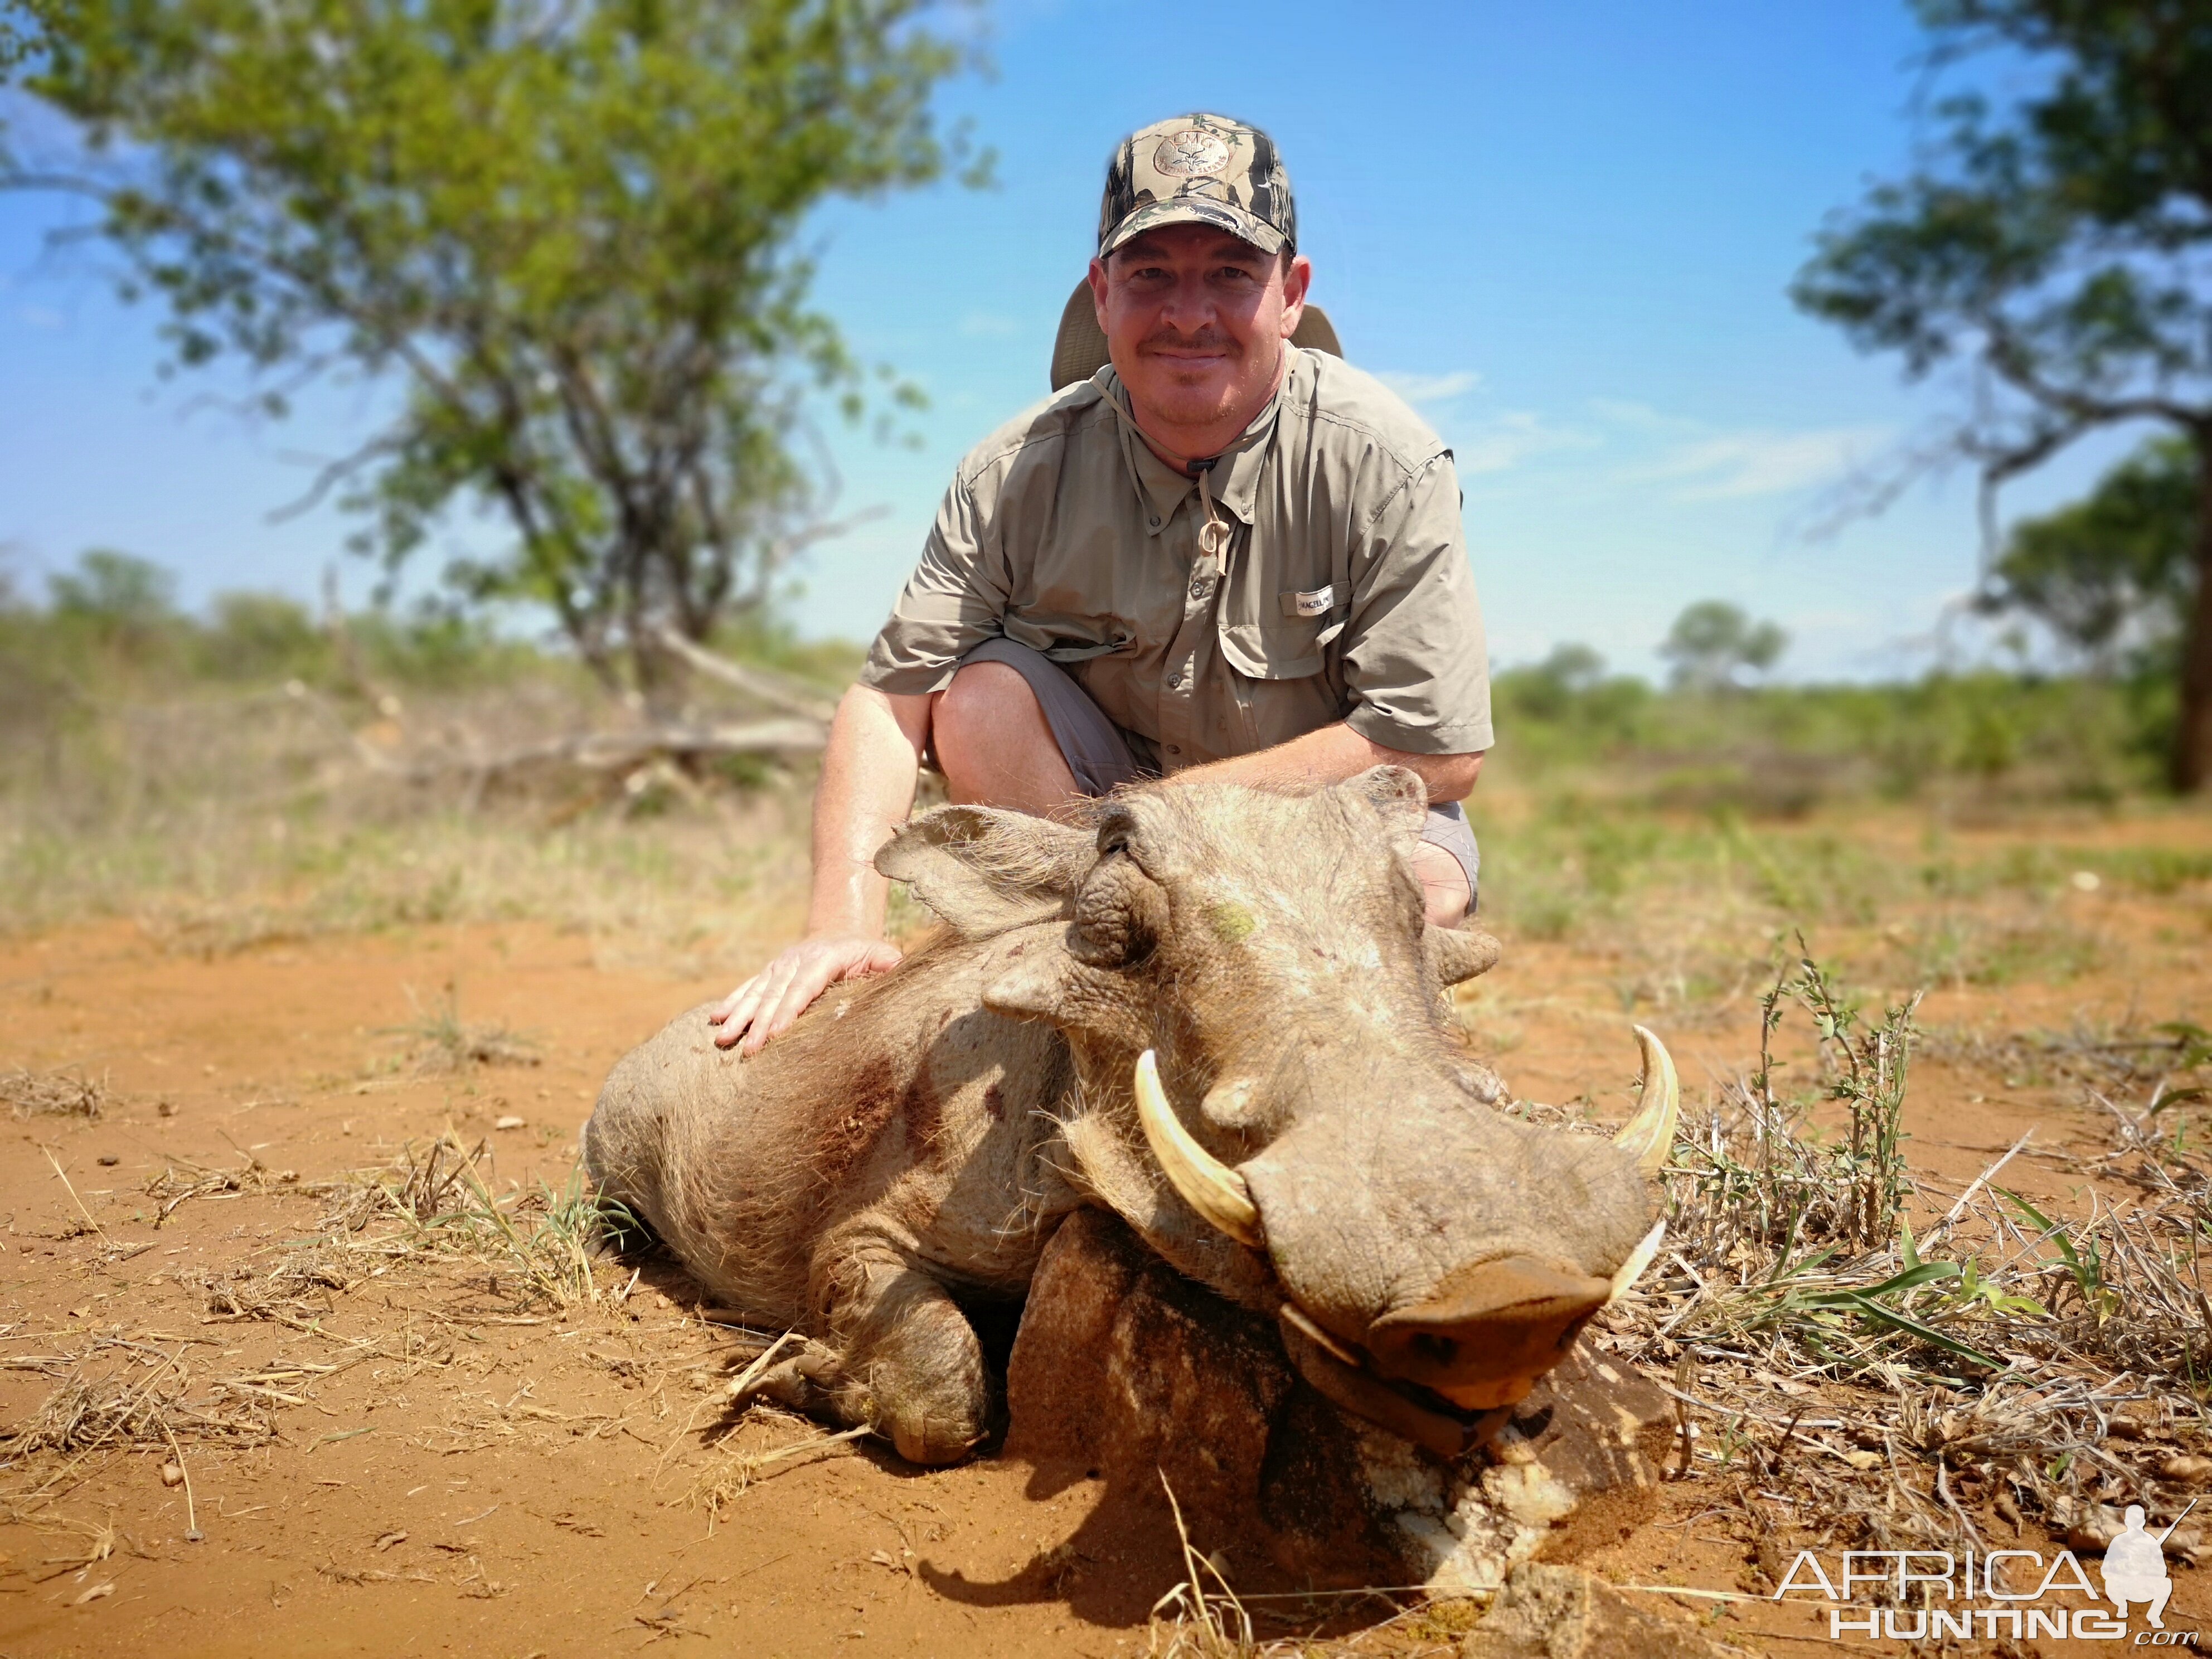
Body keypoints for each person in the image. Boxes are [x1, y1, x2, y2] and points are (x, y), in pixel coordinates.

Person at [711, 112, 1494, 1055]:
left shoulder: (1387, 462)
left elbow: (1434, 753)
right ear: (1101, 290)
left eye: (1229, 275)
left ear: (1290, 294)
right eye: (1151, 274)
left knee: (1427, 879)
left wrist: (1166, 826)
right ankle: (1080, 1010)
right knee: (978, 698)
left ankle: (1316, 1048)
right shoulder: (1011, 470)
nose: (1188, 313)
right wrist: (841, 918)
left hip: (1291, 830)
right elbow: (890, 700)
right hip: (1088, 845)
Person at [2101, 1504, 2172, 1628]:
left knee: (2166, 1584)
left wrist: (2147, 1569)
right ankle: (2122, 1607)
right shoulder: (2119, 1541)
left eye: (2138, 1521)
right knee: (2111, 1583)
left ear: (2144, 1522)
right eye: (2133, 1521)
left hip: (2143, 1586)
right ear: (2127, 1521)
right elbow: (2106, 1570)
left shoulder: (2151, 1542)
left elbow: (2162, 1571)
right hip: (2123, 1586)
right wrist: (2124, 1568)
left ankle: (2154, 1615)